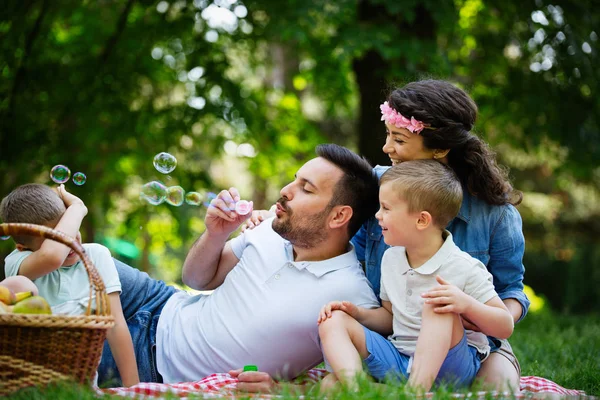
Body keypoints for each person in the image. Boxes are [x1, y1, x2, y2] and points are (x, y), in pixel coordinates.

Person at [243, 80, 529, 392]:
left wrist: (476, 314)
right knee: (332, 385)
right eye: (388, 135)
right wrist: (270, 217)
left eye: (400, 139)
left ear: (441, 149)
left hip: (470, 345)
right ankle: (371, 390)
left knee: (498, 389)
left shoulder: (495, 215)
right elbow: (323, 209)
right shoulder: (378, 185)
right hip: (396, 336)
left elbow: (511, 291)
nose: (386, 147)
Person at [98, 144, 380, 387]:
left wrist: (284, 392)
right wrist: (216, 234)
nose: (285, 190)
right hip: (158, 300)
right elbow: (197, 280)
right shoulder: (269, 228)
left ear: (339, 216)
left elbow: (351, 382)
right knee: (80, 254)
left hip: (155, 364)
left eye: (305, 188)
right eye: (295, 180)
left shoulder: (352, 298)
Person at [317, 160, 514, 392]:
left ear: (422, 220)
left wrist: (465, 304)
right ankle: (359, 390)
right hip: (400, 358)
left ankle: (414, 394)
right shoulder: (391, 258)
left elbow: (505, 326)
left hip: (450, 368)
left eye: (386, 208)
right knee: (332, 320)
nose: (378, 215)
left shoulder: (464, 267)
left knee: (438, 305)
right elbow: (391, 318)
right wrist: (357, 314)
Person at [0, 183, 139, 387]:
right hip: (26, 382)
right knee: (19, 286)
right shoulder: (17, 262)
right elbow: (53, 256)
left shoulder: (96, 256)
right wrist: (77, 207)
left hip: (78, 386)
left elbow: (115, 324)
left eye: (68, 227)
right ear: (23, 247)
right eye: (53, 237)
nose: (69, 240)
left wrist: (133, 388)